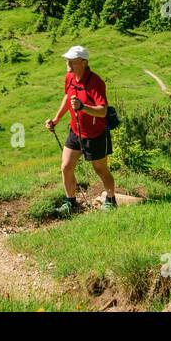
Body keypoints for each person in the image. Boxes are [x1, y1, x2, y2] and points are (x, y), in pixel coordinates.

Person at [45, 45, 115, 215]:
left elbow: (103, 111)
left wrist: (83, 107)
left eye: (72, 60)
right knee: (66, 166)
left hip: (95, 135)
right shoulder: (69, 77)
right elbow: (67, 97)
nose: (68, 62)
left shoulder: (95, 82)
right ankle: (71, 202)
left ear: (83, 62)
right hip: (75, 132)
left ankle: (111, 200)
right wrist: (56, 119)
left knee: (100, 170)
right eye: (68, 59)